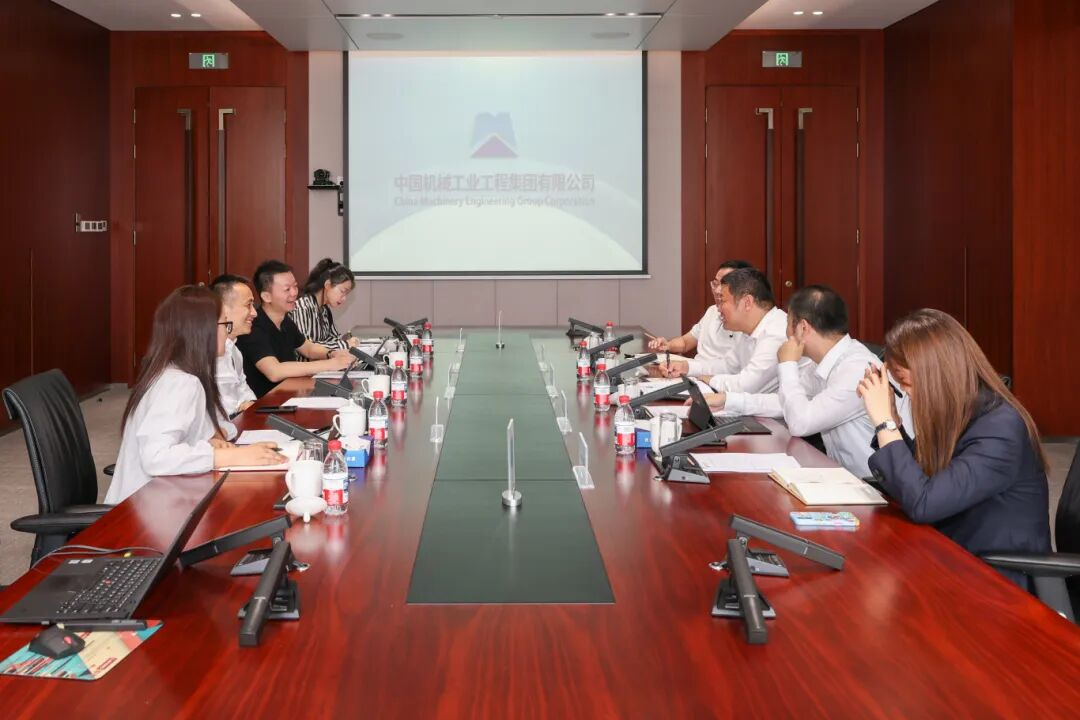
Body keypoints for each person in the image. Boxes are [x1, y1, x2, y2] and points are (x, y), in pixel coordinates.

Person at [859, 309, 1050, 589]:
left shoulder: (1001, 429)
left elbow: (924, 502)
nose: (907, 394)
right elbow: (924, 479)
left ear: (936, 375)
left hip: (996, 581)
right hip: (952, 556)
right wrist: (895, 425)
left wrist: (884, 423)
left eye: (907, 383)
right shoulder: (960, 412)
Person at [105, 287, 286, 504]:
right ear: (201, 330)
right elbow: (156, 457)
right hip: (140, 508)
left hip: (164, 497)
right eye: (224, 325)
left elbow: (210, 426)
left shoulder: (185, 374)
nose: (227, 333)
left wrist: (214, 438)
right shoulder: (179, 383)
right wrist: (226, 456)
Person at [702, 285, 893, 477]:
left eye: (788, 322)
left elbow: (800, 423)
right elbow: (786, 403)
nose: (785, 332)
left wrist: (787, 364)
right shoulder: (825, 361)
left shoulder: (856, 370)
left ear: (802, 328)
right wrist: (728, 400)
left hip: (873, 485)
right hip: (840, 475)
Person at [236, 260, 356, 398]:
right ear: (266, 296)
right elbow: (275, 371)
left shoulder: (285, 320)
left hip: (289, 394)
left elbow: (308, 348)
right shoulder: (253, 326)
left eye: (295, 286)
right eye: (287, 289)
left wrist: (332, 354)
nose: (294, 293)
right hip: (265, 403)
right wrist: (330, 364)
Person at [662, 268, 788, 395]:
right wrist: (686, 367)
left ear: (747, 302)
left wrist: (709, 380)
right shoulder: (750, 329)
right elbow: (728, 365)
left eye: (722, 301)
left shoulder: (776, 332)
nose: (718, 309)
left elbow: (745, 386)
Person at [647, 259, 752, 360]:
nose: (717, 290)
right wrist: (668, 345)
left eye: (724, 285)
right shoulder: (712, 311)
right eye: (715, 284)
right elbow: (685, 342)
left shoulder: (747, 323)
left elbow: (732, 367)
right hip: (698, 368)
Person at [289, 258, 360, 354]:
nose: (344, 298)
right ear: (327, 285)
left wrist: (346, 341)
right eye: (342, 291)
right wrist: (345, 344)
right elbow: (308, 349)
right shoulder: (302, 308)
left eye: (346, 294)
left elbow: (333, 338)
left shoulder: (324, 309)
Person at [211, 274, 258, 416]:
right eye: (248, 305)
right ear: (222, 308)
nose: (254, 313)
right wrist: (240, 407)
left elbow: (245, 393)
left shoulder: (234, 351)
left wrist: (249, 404)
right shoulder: (207, 353)